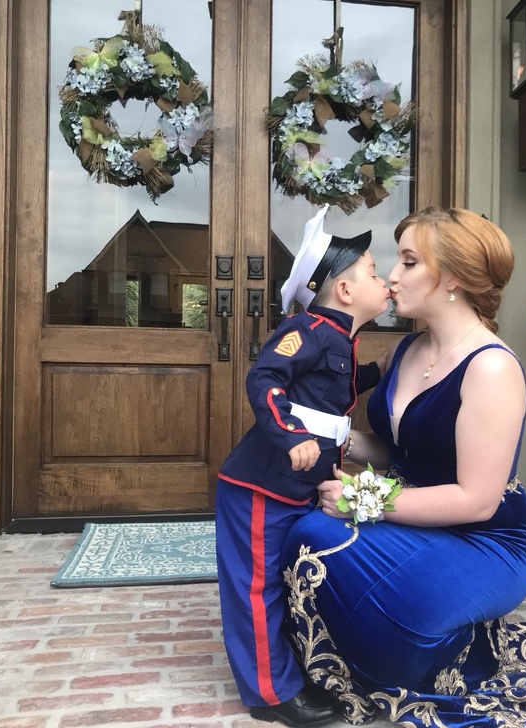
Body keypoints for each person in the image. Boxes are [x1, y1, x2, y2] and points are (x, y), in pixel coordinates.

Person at [281, 207, 526, 728]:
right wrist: (324, 438)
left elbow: (475, 499)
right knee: (309, 530)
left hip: (486, 541)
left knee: (339, 549)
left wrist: (362, 499)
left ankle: (441, 647)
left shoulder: (491, 367)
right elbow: (402, 452)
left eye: (410, 262)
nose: (392, 276)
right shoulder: (407, 349)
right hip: (415, 517)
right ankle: (373, 653)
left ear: (455, 277)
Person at [216, 204, 389, 728]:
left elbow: (332, 394)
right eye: (375, 272)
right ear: (343, 290)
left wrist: (388, 370)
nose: (384, 282)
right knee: (256, 587)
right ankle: (271, 694)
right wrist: (291, 435)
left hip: (295, 488)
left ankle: (292, 668)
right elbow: (264, 380)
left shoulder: (341, 341)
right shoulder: (307, 329)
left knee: (286, 581)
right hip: (261, 487)